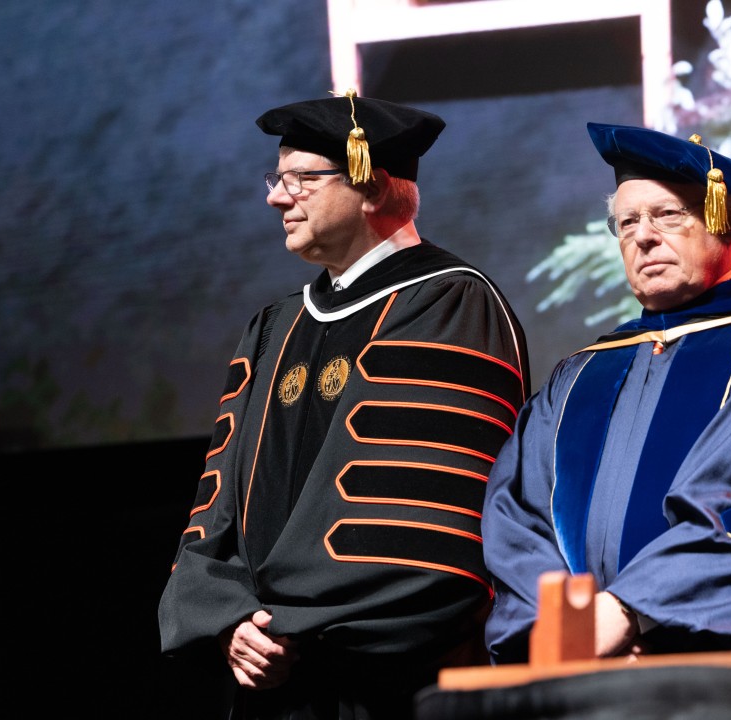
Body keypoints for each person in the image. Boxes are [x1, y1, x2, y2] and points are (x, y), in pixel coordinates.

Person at [157, 90, 531, 719]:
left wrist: (288, 626)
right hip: (264, 676)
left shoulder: (450, 305)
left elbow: (422, 525)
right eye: (277, 178)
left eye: (303, 178)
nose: (278, 196)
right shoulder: (273, 327)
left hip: (388, 682)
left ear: (374, 188)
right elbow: (216, 507)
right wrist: (227, 617)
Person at [481, 122, 731, 664]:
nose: (643, 236)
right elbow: (516, 521)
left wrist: (632, 612)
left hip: (725, 673)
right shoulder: (577, 376)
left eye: (667, 214)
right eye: (627, 222)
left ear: (724, 220)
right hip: (583, 675)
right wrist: (569, 635)